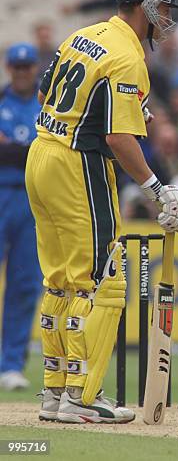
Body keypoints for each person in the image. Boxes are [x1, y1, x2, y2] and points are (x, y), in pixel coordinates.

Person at [25, 0, 178, 424]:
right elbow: (120, 139)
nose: (166, 21)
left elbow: (45, 93)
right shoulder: (128, 56)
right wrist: (159, 191)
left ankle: (56, 393)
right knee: (104, 280)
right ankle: (82, 396)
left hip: (41, 155)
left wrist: (119, 111)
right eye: (163, 11)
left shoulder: (84, 34)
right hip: (80, 162)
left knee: (59, 280)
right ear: (147, 7)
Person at [0, 43, 42, 391]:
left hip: (33, 201)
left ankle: (11, 363)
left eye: (27, 67)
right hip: (1, 194)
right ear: (8, 67)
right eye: (17, 66)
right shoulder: (2, 101)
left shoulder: (47, 104)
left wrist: (14, 150)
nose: (22, 71)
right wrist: (25, 151)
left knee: (26, 284)